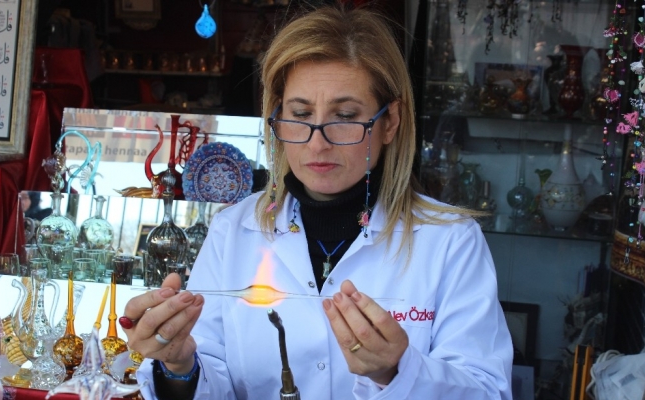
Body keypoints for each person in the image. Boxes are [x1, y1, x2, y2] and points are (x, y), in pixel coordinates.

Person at [125, 5, 513, 399]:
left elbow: (487, 391)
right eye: (300, 114)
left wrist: (398, 371)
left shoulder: (449, 241)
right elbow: (210, 373)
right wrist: (179, 366)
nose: (317, 143)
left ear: (390, 122)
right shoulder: (234, 230)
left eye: (344, 116)